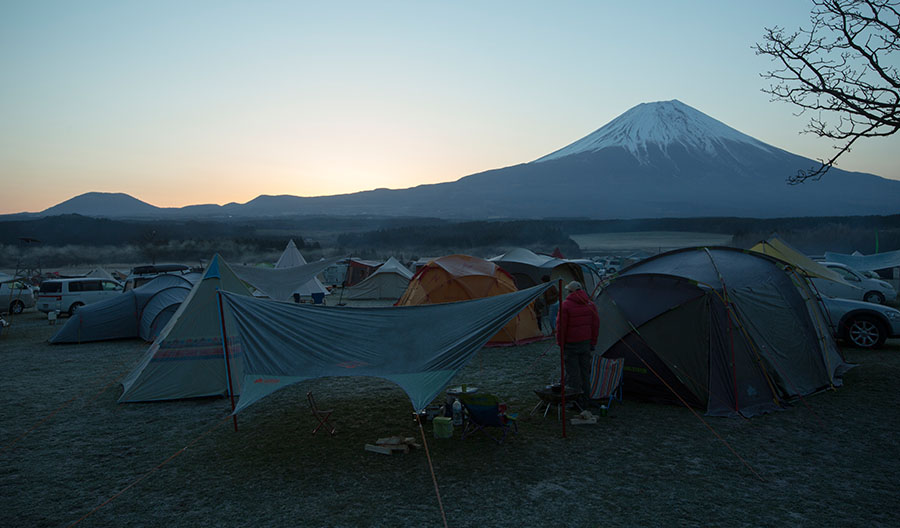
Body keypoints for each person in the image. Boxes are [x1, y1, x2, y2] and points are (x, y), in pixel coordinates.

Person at [556, 280, 599, 408]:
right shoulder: (591, 304)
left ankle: (575, 401)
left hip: (571, 345)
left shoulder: (566, 306)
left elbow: (561, 327)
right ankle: (586, 398)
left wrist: (560, 344)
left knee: (573, 374)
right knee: (585, 373)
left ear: (571, 292)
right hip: (586, 343)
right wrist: (593, 342)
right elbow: (595, 325)